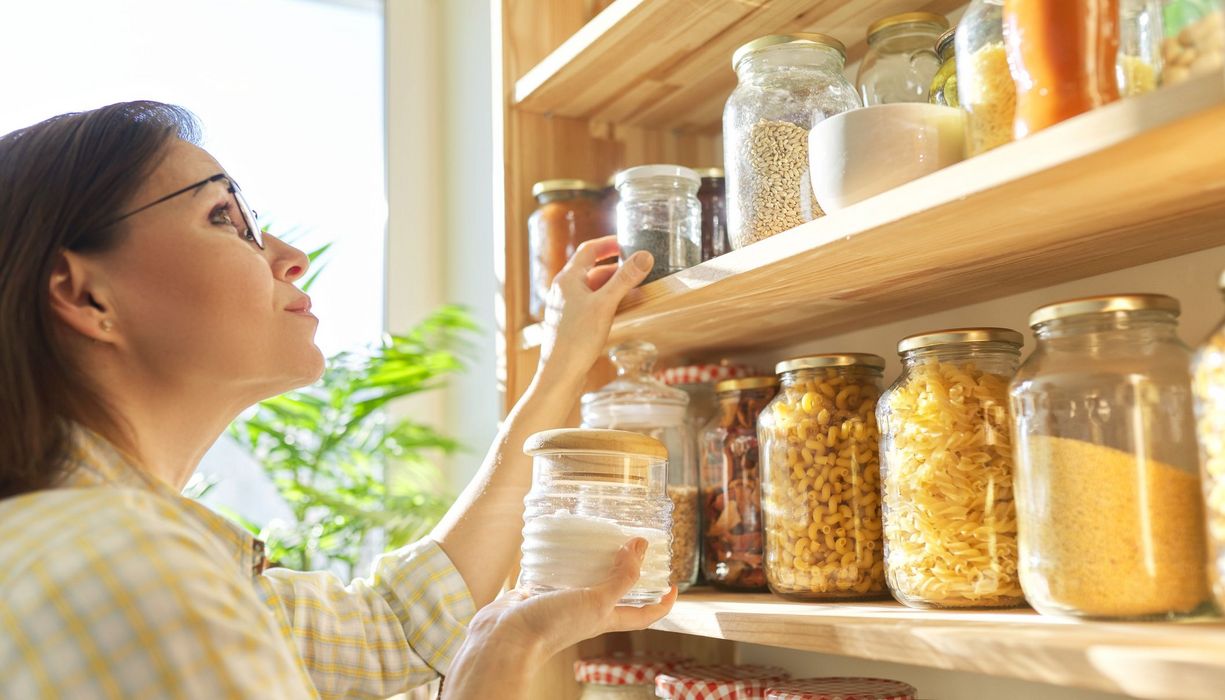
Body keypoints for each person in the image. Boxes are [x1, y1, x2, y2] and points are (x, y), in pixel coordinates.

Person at [0, 101, 673, 699]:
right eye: (224, 217)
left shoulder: (118, 554)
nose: (290, 256)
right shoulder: (124, 571)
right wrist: (501, 657)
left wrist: (560, 361)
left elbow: (395, 628)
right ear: (85, 294)